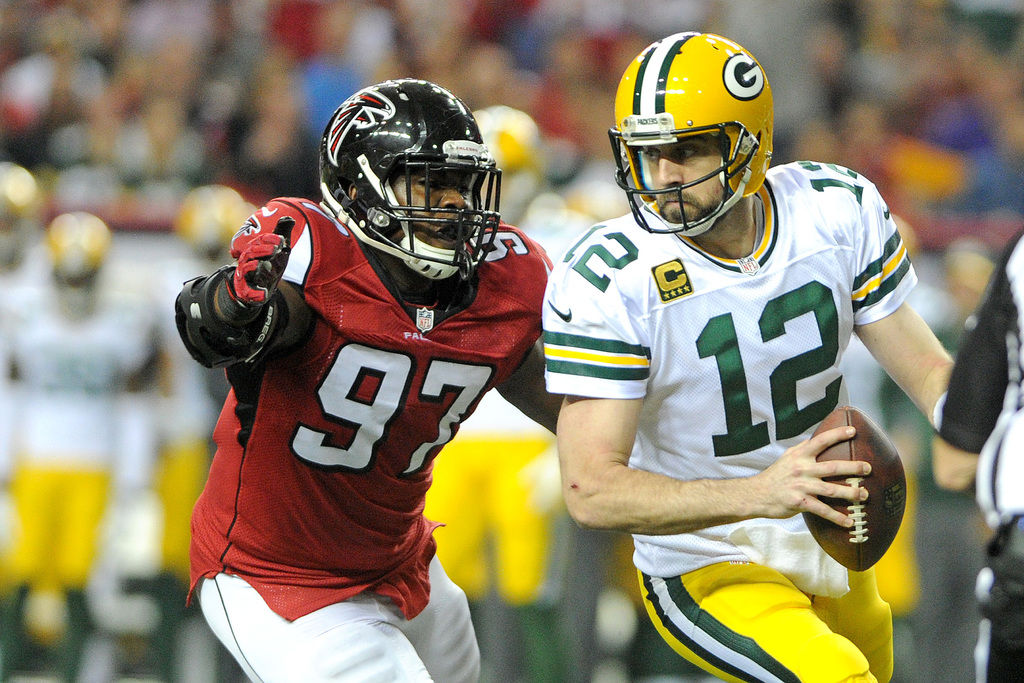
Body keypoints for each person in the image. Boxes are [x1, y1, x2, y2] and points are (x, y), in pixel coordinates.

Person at [542, 32, 952, 682]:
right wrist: (760, 491)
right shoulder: (614, 276)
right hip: (708, 559)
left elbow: (931, 374)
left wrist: (987, 439)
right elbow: (590, 487)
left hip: (835, 539)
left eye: (687, 149)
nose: (665, 175)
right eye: (648, 153)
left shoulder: (832, 209)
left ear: (749, 143)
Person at [174, 78, 559, 682]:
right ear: (358, 190)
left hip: (400, 560)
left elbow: (561, 397)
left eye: (462, 186)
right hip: (278, 573)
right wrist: (237, 305)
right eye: (431, 184)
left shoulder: (503, 281)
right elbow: (226, 324)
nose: (456, 206)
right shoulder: (314, 257)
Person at [0, 211, 158, 681]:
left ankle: (79, 673)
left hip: (94, 462)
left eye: (82, 274)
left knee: (81, 577)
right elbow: (13, 389)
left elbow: (133, 401)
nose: (74, 285)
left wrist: (133, 470)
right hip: (36, 459)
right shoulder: (24, 312)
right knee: (21, 571)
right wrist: (5, 457)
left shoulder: (124, 319)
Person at [933, 229, 1024, 681]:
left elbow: (953, 462)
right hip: (936, 507)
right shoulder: (939, 332)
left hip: (990, 514)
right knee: (936, 613)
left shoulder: (1015, 271)